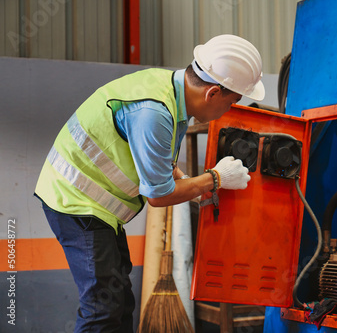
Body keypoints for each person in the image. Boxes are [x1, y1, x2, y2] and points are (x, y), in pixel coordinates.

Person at [34, 34, 265, 332]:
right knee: (102, 309)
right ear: (212, 93)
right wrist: (215, 179)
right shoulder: (154, 112)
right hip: (75, 203)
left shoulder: (169, 90)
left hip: (95, 209)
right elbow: (158, 196)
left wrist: (191, 184)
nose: (229, 111)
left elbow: (157, 161)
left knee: (119, 302)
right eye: (232, 102)